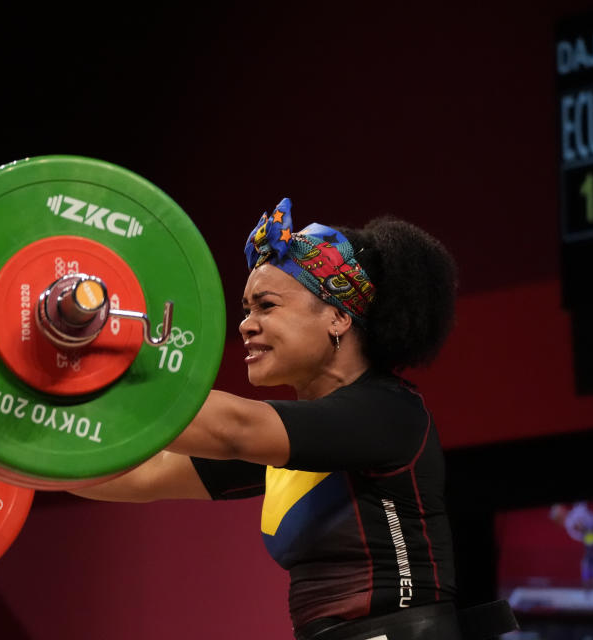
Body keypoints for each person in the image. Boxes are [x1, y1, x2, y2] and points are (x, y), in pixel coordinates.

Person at [71, 197, 461, 640]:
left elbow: (235, 427)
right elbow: (141, 472)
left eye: (267, 305)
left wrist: (95, 349)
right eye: (246, 309)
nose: (246, 325)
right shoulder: (285, 445)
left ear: (337, 317)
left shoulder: (387, 414)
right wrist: (20, 449)